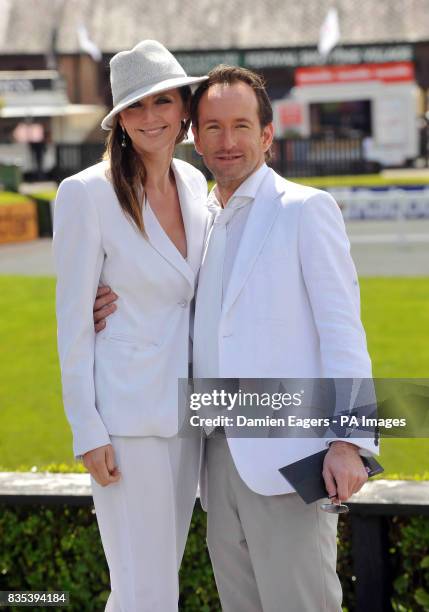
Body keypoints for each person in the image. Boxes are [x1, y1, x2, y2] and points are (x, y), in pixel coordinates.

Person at [94, 65, 378, 611]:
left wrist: (350, 442)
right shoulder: (199, 216)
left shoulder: (305, 209)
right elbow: (167, 296)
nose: (227, 142)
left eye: (241, 126)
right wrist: (99, 303)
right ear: (194, 138)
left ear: (267, 135)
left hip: (293, 454)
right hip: (216, 458)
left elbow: (344, 332)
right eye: (213, 127)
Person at [53, 40, 208, 611]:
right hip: (125, 420)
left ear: (184, 108)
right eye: (136, 107)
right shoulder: (86, 194)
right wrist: (86, 430)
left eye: (162, 102)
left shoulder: (196, 187)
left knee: (151, 583)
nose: (151, 118)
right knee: (145, 590)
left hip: (188, 415)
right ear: (118, 120)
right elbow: (71, 320)